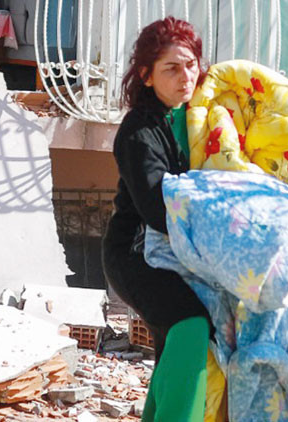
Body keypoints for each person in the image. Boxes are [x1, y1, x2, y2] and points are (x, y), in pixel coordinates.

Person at [101, 17, 211, 422]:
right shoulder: (138, 131)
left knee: (174, 349)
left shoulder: (202, 116)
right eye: (171, 68)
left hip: (183, 253)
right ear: (147, 76)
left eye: (191, 65)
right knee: (191, 323)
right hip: (136, 253)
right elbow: (156, 209)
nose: (186, 77)